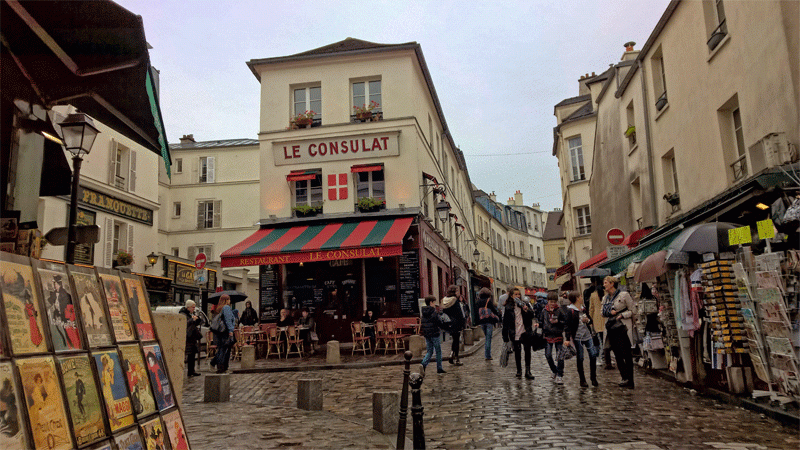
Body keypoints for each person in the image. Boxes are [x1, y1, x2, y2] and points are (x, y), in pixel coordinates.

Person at [602, 276, 636, 388]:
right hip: (611, 329)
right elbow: (602, 313)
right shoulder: (605, 298)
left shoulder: (624, 295)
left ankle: (630, 380)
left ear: (612, 283)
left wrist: (622, 315)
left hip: (623, 327)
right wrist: (608, 312)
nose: (604, 285)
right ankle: (624, 377)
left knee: (626, 354)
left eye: (606, 282)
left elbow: (633, 310)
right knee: (617, 355)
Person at [502, 288, 536, 379]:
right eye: (515, 295)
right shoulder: (508, 307)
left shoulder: (525, 304)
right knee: (517, 351)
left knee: (527, 351)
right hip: (515, 332)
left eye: (518, 294)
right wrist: (505, 336)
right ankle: (519, 370)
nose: (517, 296)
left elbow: (532, 315)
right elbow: (505, 322)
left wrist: (526, 310)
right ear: (512, 296)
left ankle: (528, 371)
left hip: (525, 331)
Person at [566, 291, 598, 387]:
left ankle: (593, 378)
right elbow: (567, 326)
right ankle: (582, 380)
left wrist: (587, 320)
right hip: (577, 337)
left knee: (593, 355)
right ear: (576, 298)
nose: (582, 297)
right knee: (580, 358)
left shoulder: (583, 308)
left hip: (587, 336)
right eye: (580, 296)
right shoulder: (570, 310)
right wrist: (567, 338)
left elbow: (590, 320)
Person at [541, 291, 568, 384]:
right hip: (548, 336)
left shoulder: (560, 310)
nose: (552, 304)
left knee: (560, 356)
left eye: (554, 302)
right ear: (547, 301)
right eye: (551, 301)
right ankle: (554, 370)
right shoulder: (544, 311)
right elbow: (541, 321)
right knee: (548, 355)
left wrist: (558, 322)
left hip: (558, 335)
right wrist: (538, 324)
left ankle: (560, 375)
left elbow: (565, 322)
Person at [586, 277, 610, 369]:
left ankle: (599, 358)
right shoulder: (607, 294)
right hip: (606, 318)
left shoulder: (593, 295)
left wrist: (591, 319)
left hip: (597, 319)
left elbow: (591, 309)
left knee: (599, 340)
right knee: (607, 339)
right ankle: (606, 357)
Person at [419, 296, 446, 375]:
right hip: (434, 333)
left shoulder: (423, 312)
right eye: (434, 302)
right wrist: (444, 327)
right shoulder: (433, 312)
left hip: (427, 334)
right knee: (438, 351)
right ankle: (439, 368)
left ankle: (423, 364)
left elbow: (423, 323)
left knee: (430, 351)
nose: (435, 304)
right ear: (431, 302)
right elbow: (438, 322)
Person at [211, 294, 236, 374]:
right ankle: (222, 367)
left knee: (221, 348)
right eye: (229, 299)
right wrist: (231, 331)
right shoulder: (226, 308)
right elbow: (228, 320)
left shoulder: (219, 308)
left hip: (220, 332)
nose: (230, 301)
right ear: (226, 300)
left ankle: (218, 365)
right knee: (225, 350)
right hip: (225, 332)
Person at [441, 285, 465, 366]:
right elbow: (459, 314)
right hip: (456, 323)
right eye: (457, 291)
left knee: (454, 340)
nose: (459, 293)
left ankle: (452, 353)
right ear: (455, 292)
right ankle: (456, 358)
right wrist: (462, 324)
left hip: (448, 323)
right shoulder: (455, 301)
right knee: (456, 340)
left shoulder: (444, 300)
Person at [475, 288, 500, 360]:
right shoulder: (488, 301)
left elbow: (476, 312)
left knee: (486, 337)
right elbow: (493, 310)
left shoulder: (478, 302)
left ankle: (487, 354)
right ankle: (488, 355)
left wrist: (477, 322)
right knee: (488, 339)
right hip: (489, 321)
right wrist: (497, 315)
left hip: (482, 321)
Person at [179, 300, 202, 377]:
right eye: (193, 307)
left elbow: (198, 322)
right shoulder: (183, 314)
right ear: (188, 307)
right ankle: (189, 371)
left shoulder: (190, 314)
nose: (194, 309)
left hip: (192, 337)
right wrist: (192, 320)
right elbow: (185, 324)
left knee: (192, 354)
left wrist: (197, 319)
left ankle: (192, 371)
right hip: (188, 337)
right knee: (188, 354)